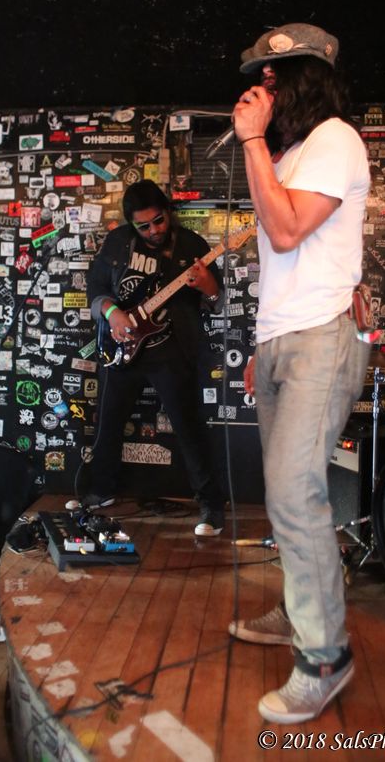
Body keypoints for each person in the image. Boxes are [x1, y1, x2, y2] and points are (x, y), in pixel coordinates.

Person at [228, 23, 371, 722]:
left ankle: (326, 657)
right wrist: (264, 345)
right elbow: (282, 265)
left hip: (322, 337)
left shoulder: (336, 139)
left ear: (306, 78)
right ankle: (298, 610)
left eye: (272, 76)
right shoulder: (286, 156)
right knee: (283, 491)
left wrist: (253, 141)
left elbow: (286, 232)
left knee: (294, 491)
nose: (261, 87)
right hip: (284, 338)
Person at [84, 179, 226, 536]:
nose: (154, 231)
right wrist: (113, 313)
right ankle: (100, 491)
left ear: (168, 212)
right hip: (122, 346)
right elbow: (96, 289)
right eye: (143, 226)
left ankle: (211, 505)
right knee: (108, 423)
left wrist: (207, 285)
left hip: (171, 352)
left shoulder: (191, 245)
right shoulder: (117, 242)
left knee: (189, 429)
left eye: (159, 221)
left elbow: (217, 301)